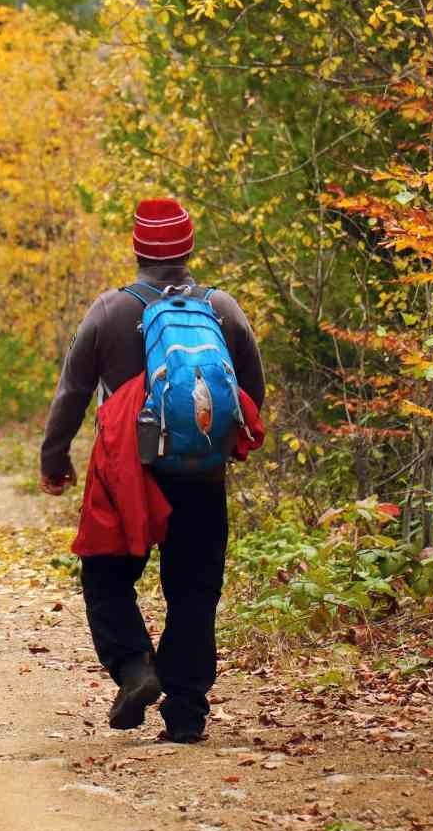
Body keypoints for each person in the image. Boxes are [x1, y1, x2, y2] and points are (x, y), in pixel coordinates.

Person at [40, 198, 265, 742]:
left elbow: (71, 392)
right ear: (188, 248)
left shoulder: (110, 311)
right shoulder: (223, 309)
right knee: (193, 590)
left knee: (106, 576)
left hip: (127, 475)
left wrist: (55, 457)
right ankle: (186, 714)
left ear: (138, 248)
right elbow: (250, 393)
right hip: (201, 476)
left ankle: (136, 669)